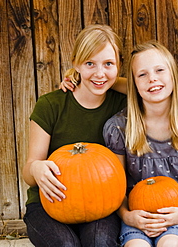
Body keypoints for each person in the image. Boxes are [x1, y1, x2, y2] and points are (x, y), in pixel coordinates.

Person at [22, 24, 127, 247]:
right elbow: (29, 171)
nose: (99, 73)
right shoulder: (51, 105)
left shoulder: (124, 104)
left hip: (102, 203)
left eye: (109, 64)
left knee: (99, 242)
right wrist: (36, 168)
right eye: (90, 63)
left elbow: (148, 85)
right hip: (49, 202)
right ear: (76, 63)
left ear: (119, 66)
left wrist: (107, 79)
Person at [102, 40, 178, 247]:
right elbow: (116, 188)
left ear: (173, 75)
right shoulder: (119, 128)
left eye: (160, 70)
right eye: (142, 74)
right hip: (136, 215)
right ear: (133, 83)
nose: (152, 79)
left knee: (170, 244)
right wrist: (127, 216)